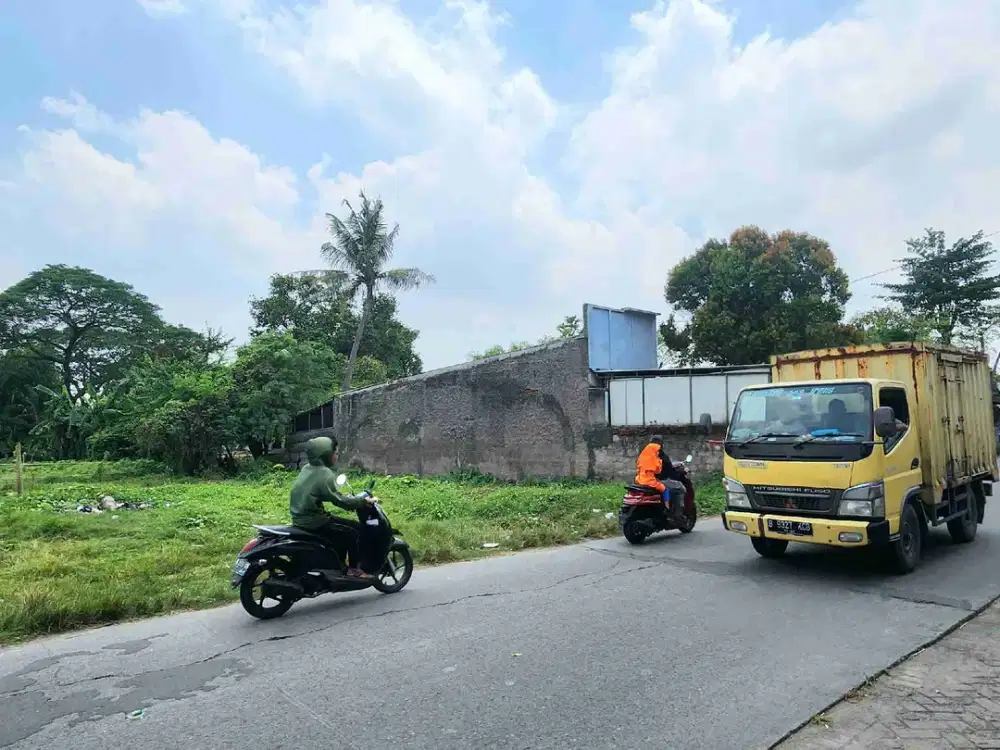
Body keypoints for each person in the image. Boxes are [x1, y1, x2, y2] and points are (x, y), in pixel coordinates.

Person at [289, 436, 375, 579]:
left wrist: (342, 496)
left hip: (300, 518)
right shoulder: (324, 474)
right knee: (355, 531)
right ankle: (353, 569)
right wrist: (361, 500)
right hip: (314, 521)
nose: (336, 455)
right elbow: (340, 501)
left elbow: (323, 493)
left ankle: (339, 564)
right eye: (334, 452)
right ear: (325, 455)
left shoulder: (307, 468)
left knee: (341, 530)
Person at [634, 436, 684, 514]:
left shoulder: (643, 455)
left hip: (640, 480)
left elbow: (639, 467)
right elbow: (659, 471)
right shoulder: (659, 455)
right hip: (651, 481)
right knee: (677, 488)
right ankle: (669, 510)